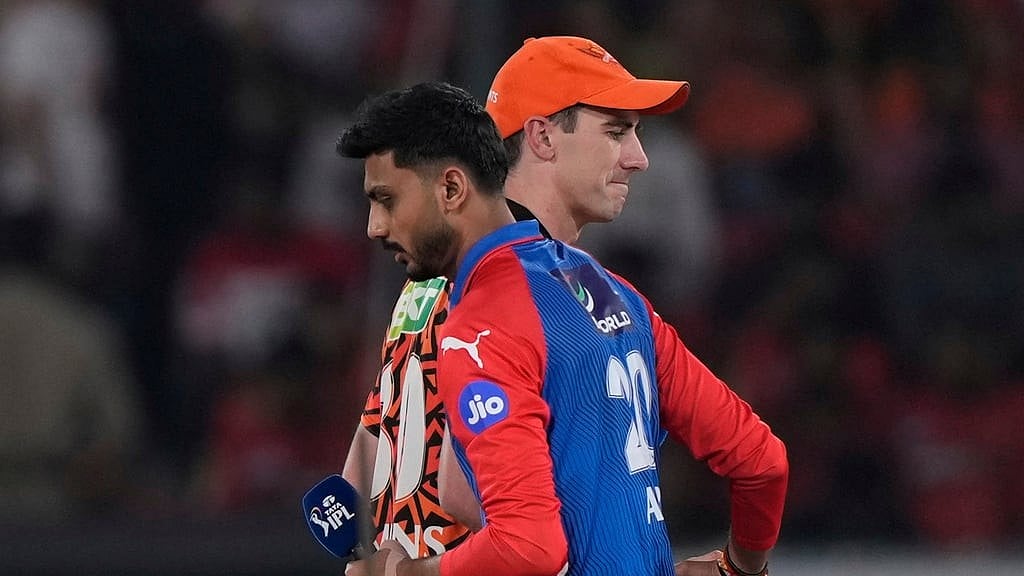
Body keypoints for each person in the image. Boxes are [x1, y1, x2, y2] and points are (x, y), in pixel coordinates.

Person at [337, 81, 788, 576]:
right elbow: (762, 461)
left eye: (386, 200)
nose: (374, 227)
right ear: (540, 138)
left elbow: (515, 536)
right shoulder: (615, 293)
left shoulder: (470, 313)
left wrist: (397, 572)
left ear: (452, 187)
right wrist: (737, 568)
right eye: (616, 132)